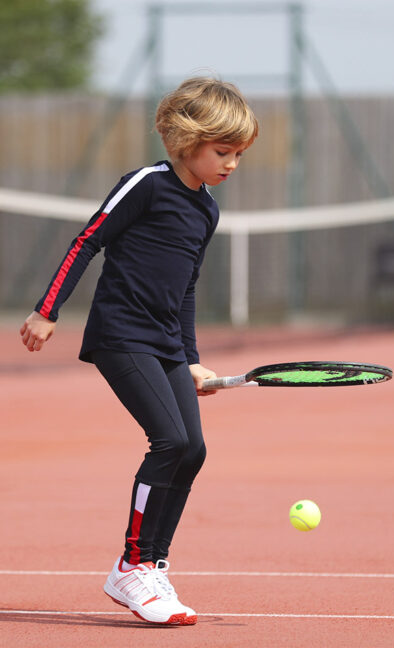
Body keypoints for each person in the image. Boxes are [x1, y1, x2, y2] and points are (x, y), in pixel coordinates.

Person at [19, 77, 258, 626]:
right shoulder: (146, 184)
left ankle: (151, 565)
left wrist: (190, 357)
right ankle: (132, 564)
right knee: (170, 441)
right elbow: (88, 241)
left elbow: (186, 289)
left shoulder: (207, 211)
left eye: (239, 154)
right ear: (188, 140)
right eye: (223, 151)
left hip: (167, 344)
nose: (231, 164)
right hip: (121, 336)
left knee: (193, 450)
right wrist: (47, 310)